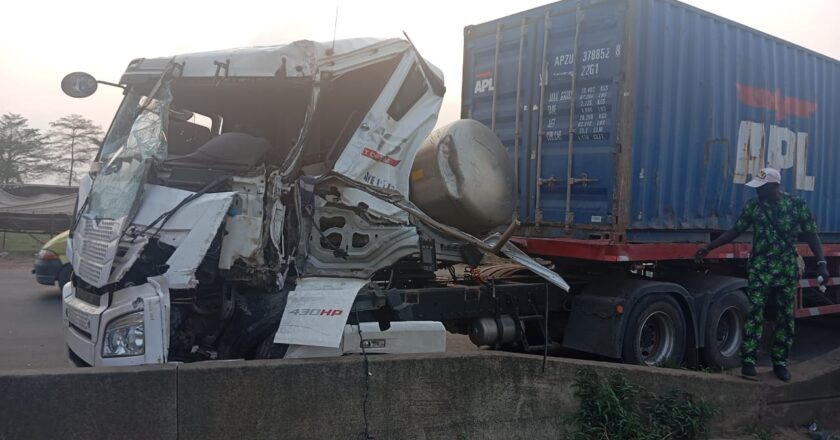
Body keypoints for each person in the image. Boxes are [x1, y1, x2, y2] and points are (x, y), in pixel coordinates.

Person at [694, 167, 829, 382]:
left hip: (785, 270)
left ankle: (780, 363)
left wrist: (822, 263)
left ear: (774, 186)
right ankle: (748, 362)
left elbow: (812, 236)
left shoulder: (796, 206)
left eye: (761, 187)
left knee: (785, 317)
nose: (757, 191)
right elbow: (735, 231)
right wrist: (709, 247)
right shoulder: (754, 207)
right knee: (754, 313)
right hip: (760, 269)